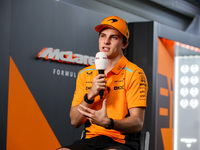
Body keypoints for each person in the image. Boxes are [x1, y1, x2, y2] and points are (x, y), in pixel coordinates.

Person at [57, 16, 148, 150]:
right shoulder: (85, 73)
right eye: (103, 36)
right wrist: (90, 95)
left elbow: (137, 123)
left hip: (121, 142)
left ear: (124, 44)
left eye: (114, 37)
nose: (106, 41)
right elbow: (75, 121)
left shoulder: (134, 73)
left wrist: (108, 122)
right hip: (91, 140)